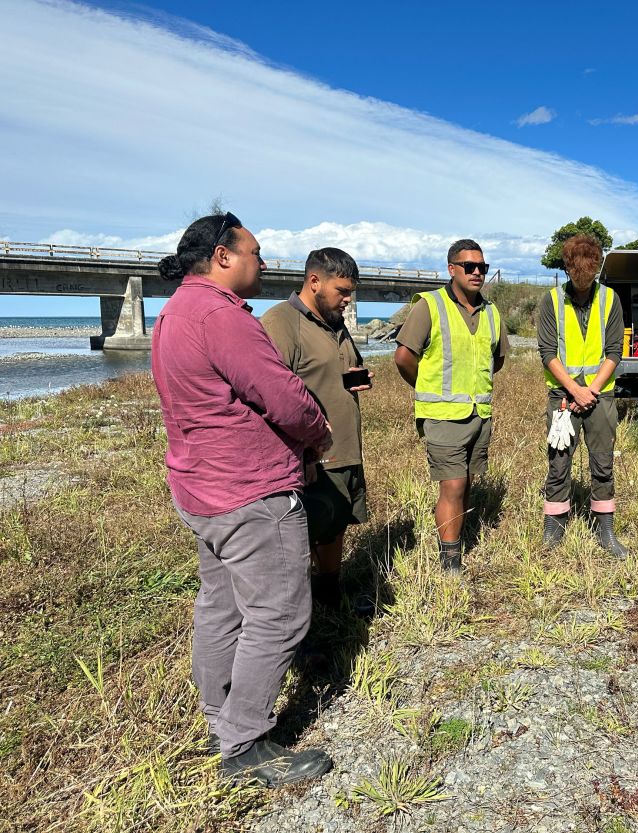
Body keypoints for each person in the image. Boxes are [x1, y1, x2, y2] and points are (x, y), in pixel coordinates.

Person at [152, 212, 334, 787]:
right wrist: (320, 433)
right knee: (279, 614)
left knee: (222, 604)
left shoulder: (175, 311)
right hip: (248, 489)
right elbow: (283, 397)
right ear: (224, 256)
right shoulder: (220, 316)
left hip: (200, 489)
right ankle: (245, 743)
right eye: (255, 251)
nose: (263, 261)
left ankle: (220, 716)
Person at [261, 247, 371, 611]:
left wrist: (354, 378)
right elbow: (272, 393)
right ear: (314, 281)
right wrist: (303, 453)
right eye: (342, 291)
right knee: (303, 531)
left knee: (334, 525)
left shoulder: (334, 322)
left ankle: (329, 596)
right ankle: (301, 607)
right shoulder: (281, 322)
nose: (347, 300)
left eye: (350, 292)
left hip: (344, 448)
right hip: (311, 455)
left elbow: (328, 371)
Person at [394, 239, 508, 572]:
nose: (477, 273)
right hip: (443, 416)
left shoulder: (491, 312)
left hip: (479, 413)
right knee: (453, 484)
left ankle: (455, 543)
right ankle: (450, 562)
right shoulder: (429, 306)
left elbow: (496, 358)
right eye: (469, 267)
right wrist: (427, 386)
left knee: (467, 481)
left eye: (482, 267)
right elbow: (403, 358)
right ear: (451, 269)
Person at [538, 234, 628, 557]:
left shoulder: (610, 300)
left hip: (599, 396)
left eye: (589, 273)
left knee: (603, 462)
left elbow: (615, 351)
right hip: (562, 396)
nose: (582, 279)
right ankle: (555, 526)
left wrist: (589, 391)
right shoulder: (551, 302)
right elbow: (547, 352)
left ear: (597, 267)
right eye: (576, 273)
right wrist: (574, 389)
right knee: (558, 463)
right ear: (567, 269)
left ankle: (605, 530)